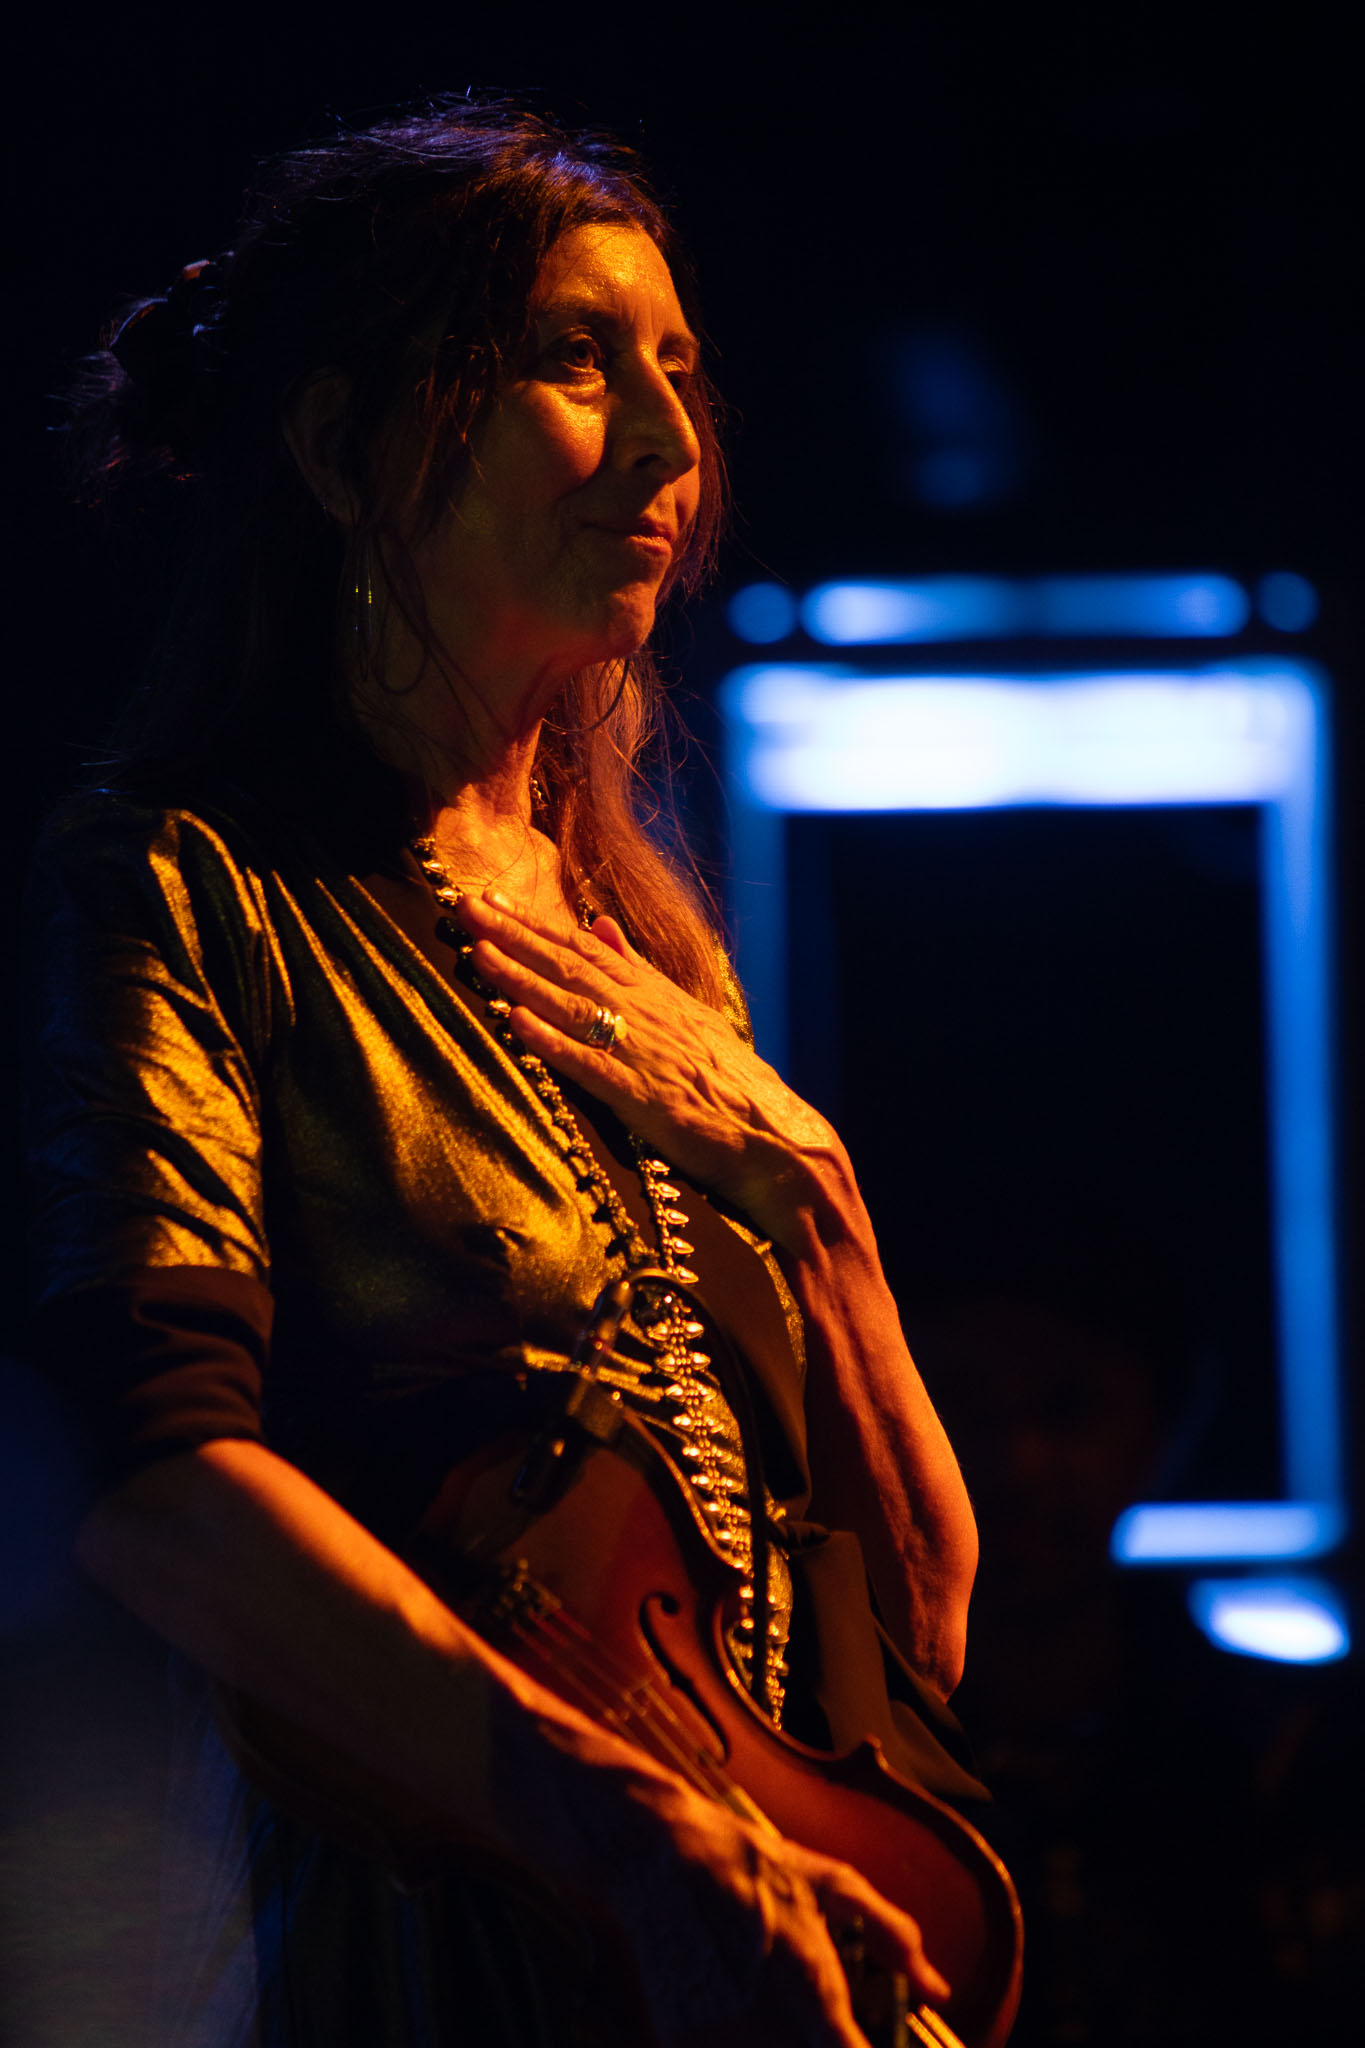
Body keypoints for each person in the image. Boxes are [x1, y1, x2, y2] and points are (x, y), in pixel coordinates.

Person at [26, 102, 984, 2047]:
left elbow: (924, 1630)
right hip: (377, 1961)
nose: (667, 441)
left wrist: (823, 1211)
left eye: (679, 370)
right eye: (572, 358)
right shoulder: (179, 883)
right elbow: (147, 1489)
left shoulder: (647, 948)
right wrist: (629, 1826)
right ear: (342, 446)